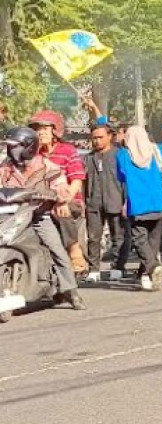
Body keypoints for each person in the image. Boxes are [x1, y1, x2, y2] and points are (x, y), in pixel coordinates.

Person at [0, 127, 85, 309]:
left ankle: (71, 290)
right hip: (11, 214)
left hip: (39, 216)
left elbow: (61, 186)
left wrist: (59, 196)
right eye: (9, 146)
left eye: (14, 146)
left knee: (56, 249)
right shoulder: (5, 167)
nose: (10, 150)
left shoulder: (46, 166)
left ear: (29, 147)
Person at [29, 110, 88, 274]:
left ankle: (74, 249)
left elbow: (77, 178)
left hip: (67, 202)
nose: (40, 133)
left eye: (44, 129)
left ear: (55, 131)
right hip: (39, 203)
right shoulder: (32, 154)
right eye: (37, 129)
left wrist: (65, 198)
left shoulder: (67, 150)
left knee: (60, 210)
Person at [116, 125, 162, 292]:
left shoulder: (123, 155)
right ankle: (147, 274)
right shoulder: (159, 151)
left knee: (139, 239)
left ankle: (153, 268)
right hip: (159, 202)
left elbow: (121, 175)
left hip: (139, 205)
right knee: (153, 241)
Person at [81, 122, 130, 282]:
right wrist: (83, 201)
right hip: (93, 202)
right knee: (93, 237)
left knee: (118, 236)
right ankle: (94, 269)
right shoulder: (88, 158)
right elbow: (83, 181)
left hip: (116, 200)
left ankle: (118, 267)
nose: (96, 141)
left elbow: (127, 181)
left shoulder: (120, 155)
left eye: (100, 137)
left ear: (110, 136)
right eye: (93, 138)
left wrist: (126, 201)